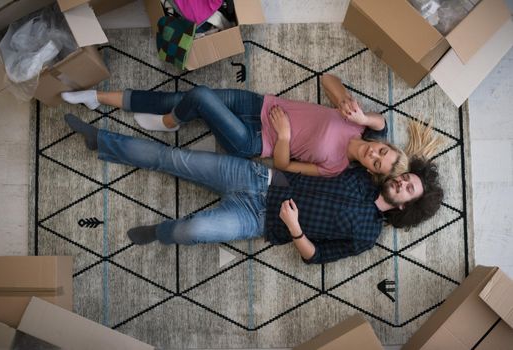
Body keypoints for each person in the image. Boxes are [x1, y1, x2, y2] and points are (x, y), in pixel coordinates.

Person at [64, 114, 443, 264]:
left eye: (407, 188)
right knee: (173, 159)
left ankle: (160, 232)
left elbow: (314, 257)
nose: (400, 182)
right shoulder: (366, 173)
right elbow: (373, 134)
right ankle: (101, 141)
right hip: (258, 179)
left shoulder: (367, 235)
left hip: (258, 220)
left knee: (191, 230)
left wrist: (295, 228)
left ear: (404, 207)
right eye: (406, 177)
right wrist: (364, 120)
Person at [61, 74, 408, 181]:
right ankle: (96, 97)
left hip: (254, 141)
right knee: (179, 97)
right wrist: (356, 112)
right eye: (383, 151)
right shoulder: (358, 124)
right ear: (384, 144)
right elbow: (328, 80)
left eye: (377, 163)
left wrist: (284, 136)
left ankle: (171, 124)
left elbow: (284, 165)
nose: (375, 154)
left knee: (197, 96)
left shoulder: (335, 167)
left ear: (370, 170)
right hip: (260, 104)